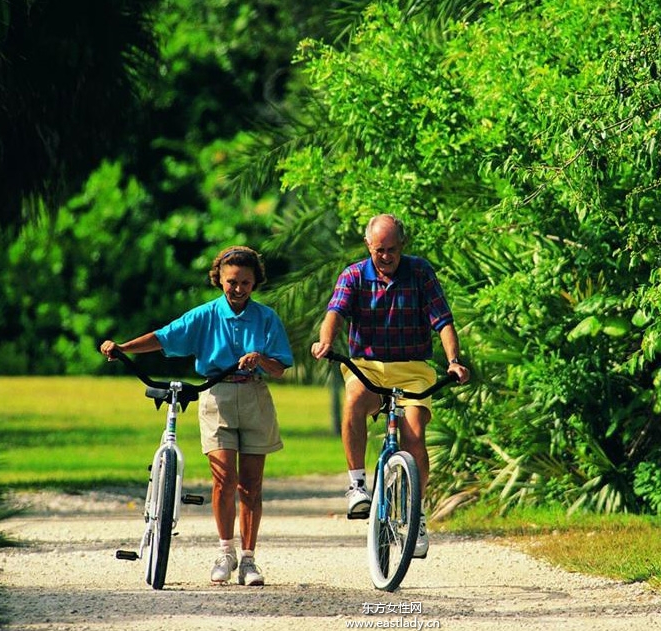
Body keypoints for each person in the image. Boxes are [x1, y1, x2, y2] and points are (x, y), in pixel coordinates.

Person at [100, 245, 292, 586]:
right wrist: (123, 348)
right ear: (219, 279)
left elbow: (279, 368)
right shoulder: (204, 315)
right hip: (215, 395)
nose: (238, 288)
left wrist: (260, 359)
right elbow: (163, 338)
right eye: (232, 281)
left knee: (251, 484)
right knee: (223, 479)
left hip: (254, 398)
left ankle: (248, 559)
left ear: (254, 283)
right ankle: (224, 552)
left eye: (245, 282)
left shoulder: (266, 319)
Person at [311, 214, 470, 559]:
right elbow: (335, 313)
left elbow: (442, 320)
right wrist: (325, 342)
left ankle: (416, 515)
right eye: (380, 250)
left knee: (414, 436)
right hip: (367, 366)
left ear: (403, 246)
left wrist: (453, 360)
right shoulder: (353, 275)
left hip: (412, 369)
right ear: (369, 246)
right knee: (353, 398)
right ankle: (356, 485)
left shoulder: (420, 272)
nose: (386, 257)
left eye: (392, 250)